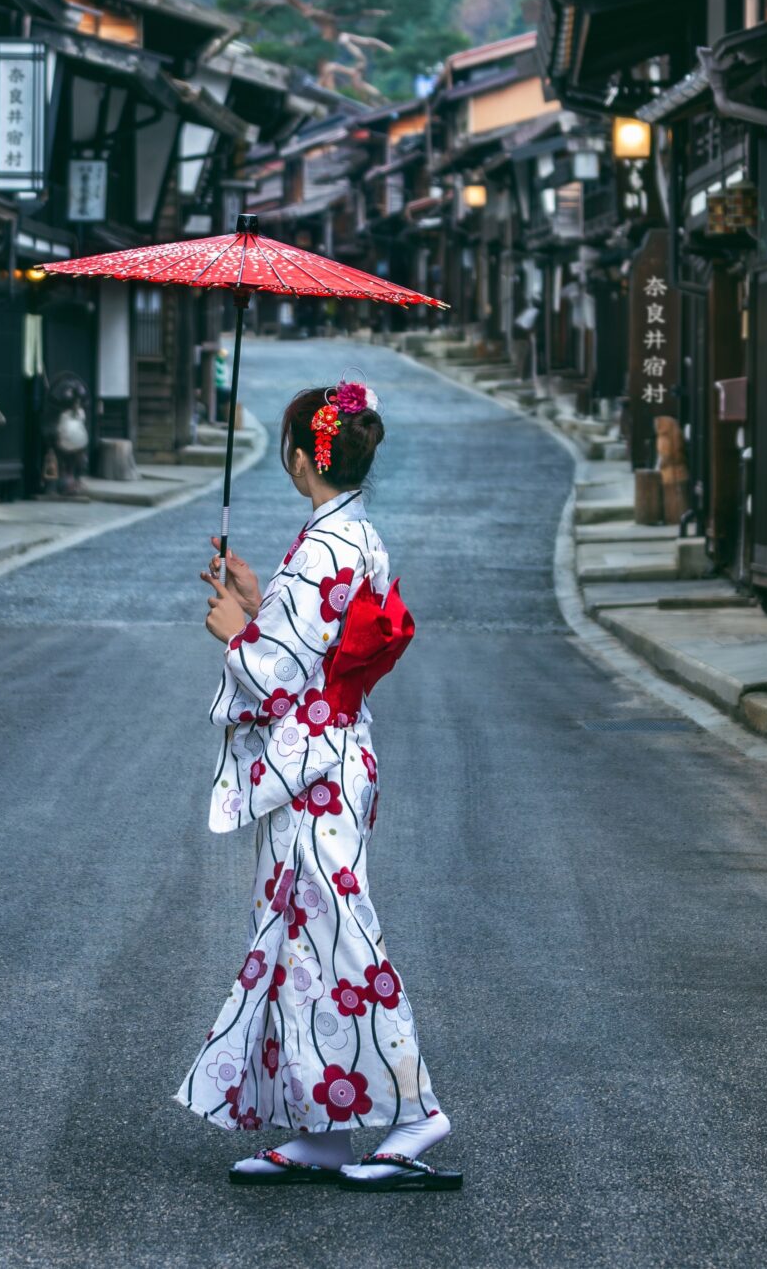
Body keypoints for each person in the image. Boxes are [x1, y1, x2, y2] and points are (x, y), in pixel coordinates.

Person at [176, 380, 459, 1192]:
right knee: (304, 943)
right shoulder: (350, 534)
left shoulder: (327, 548)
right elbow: (317, 643)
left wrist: (238, 634)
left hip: (317, 769)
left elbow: (277, 673)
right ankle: (324, 1127)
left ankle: (416, 1110)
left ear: (302, 456)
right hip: (332, 755)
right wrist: (261, 601)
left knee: (341, 938)